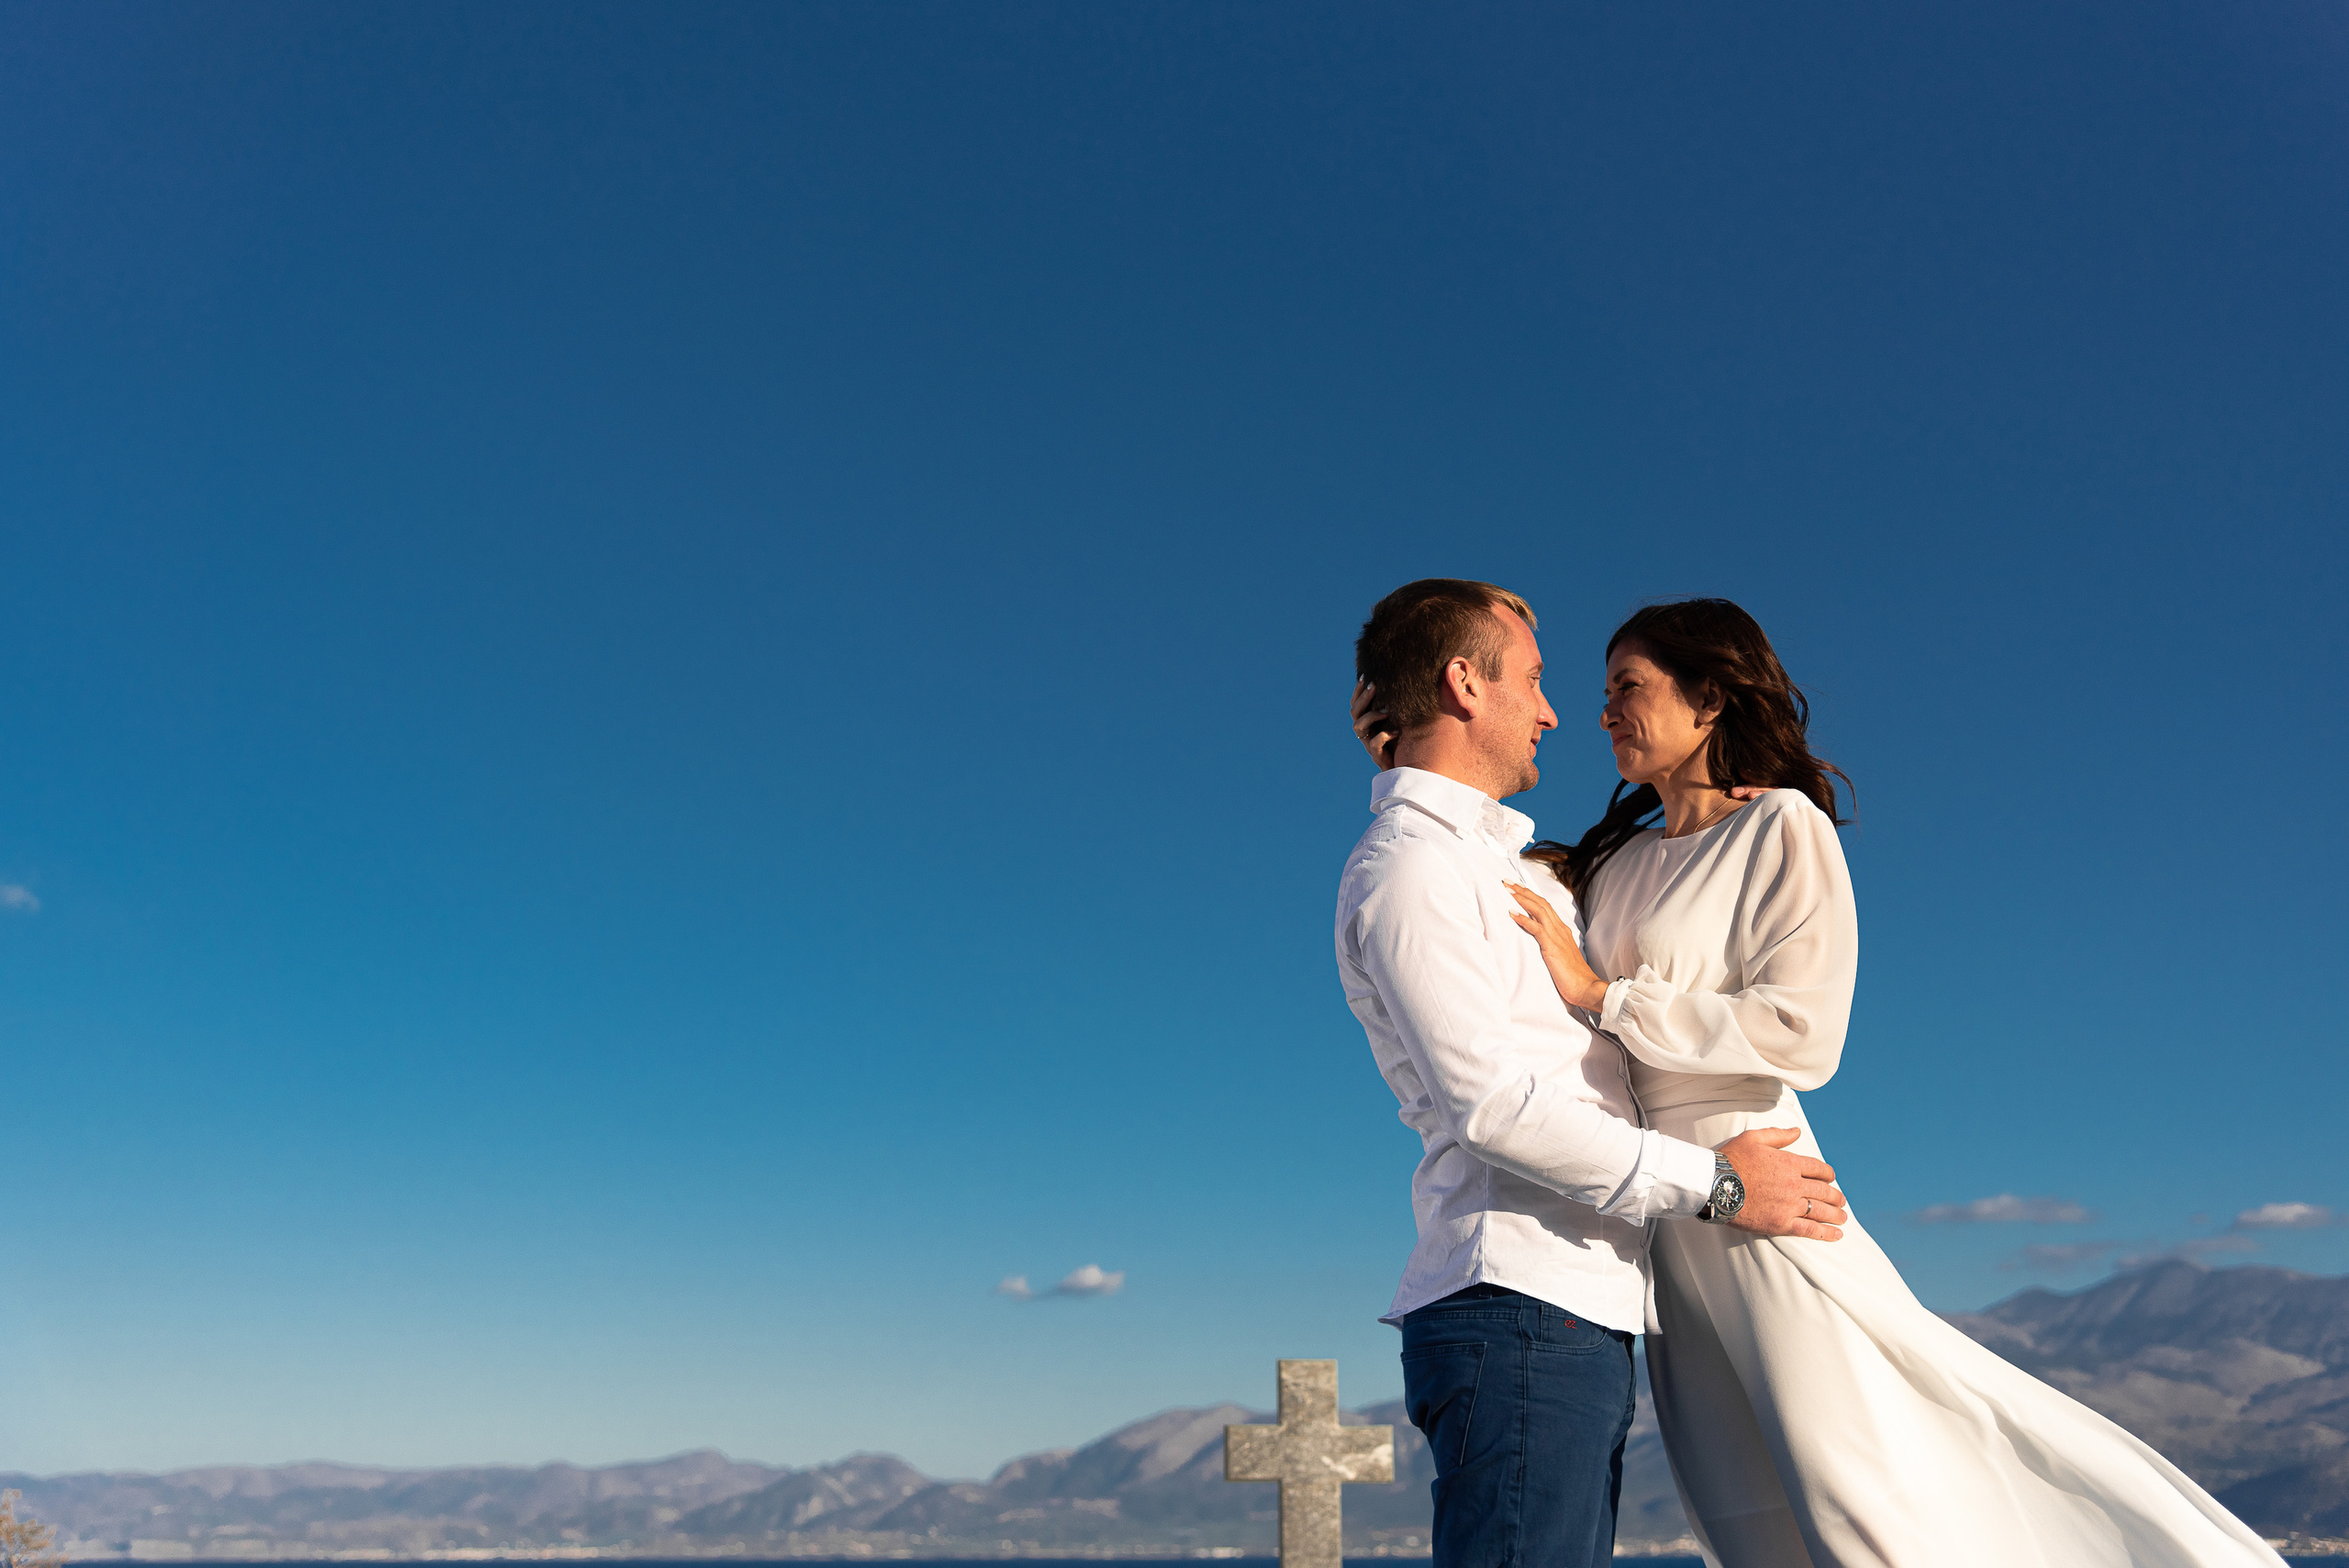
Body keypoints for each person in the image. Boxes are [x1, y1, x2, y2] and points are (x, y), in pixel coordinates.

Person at [1357, 595, 2284, 1568]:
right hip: (1665, 1227)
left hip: (1760, 1184)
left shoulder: (1782, 828)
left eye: (1625, 687)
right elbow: (1459, 851)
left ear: (1710, 696)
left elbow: (1802, 1035)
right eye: (1583, 690)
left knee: (1857, 1478)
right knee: (1742, 1499)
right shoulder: (1606, 863)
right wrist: (1402, 736)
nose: (1593, 714)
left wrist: (1608, 995)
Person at [1333, 579, 1849, 1568]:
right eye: (1532, 678)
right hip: (1517, 1299)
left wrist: (1407, 748)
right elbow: (1495, 1106)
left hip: (1577, 1302)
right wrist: (1722, 1183)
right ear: (1463, 684)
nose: (1557, 709)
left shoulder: (1505, 868)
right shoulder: (1412, 871)